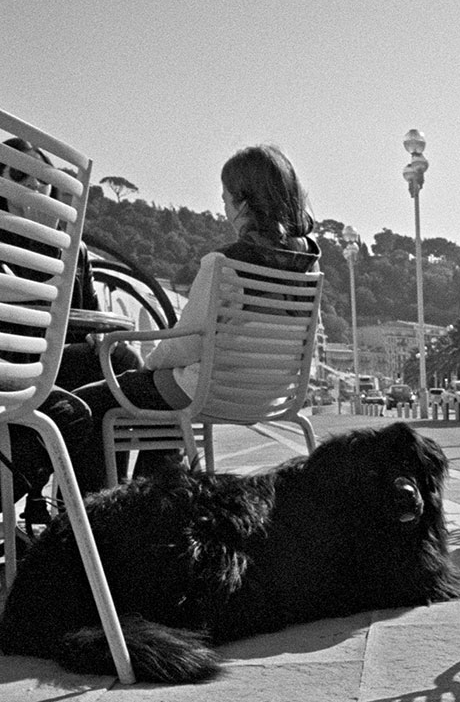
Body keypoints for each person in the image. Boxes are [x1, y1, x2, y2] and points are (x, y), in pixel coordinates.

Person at [67, 145, 320, 495]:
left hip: (205, 391)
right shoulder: (309, 265)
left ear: (243, 204)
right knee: (158, 404)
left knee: (82, 405)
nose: (224, 207)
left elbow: (187, 343)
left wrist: (149, 365)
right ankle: (160, 506)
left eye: (226, 198)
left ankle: (89, 514)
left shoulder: (224, 262)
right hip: (276, 397)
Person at [0, 138, 142, 516]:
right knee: (115, 371)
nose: (34, 185)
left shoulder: (72, 249)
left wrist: (99, 337)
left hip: (55, 363)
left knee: (118, 360)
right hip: (12, 366)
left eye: (42, 178)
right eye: (20, 175)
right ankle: (90, 517)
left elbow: (90, 318)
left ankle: (93, 513)